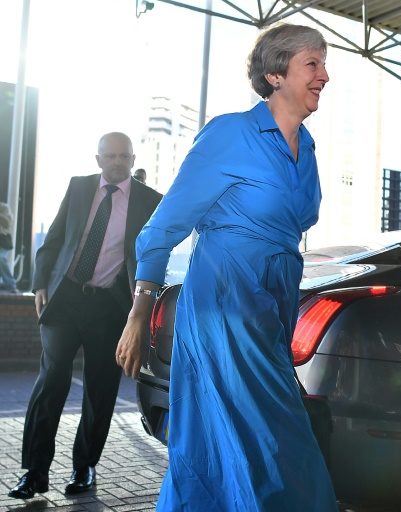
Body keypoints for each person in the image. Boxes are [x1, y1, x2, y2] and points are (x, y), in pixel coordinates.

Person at [115, 24, 336, 510]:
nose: (324, 75)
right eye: (313, 64)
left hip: (271, 308)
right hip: (224, 305)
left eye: (324, 64)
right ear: (276, 74)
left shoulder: (309, 150)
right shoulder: (231, 134)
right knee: (273, 446)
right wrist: (139, 311)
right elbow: (163, 227)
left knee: (230, 446)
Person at [7, 132, 162, 500]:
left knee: (100, 388)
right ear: (98, 159)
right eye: (110, 155)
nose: (117, 162)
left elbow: (155, 253)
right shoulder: (78, 188)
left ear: (132, 159)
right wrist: (39, 283)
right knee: (52, 379)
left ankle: (84, 467)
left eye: (123, 156)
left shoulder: (150, 200)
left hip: (110, 307)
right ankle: (34, 472)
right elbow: (54, 239)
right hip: (66, 298)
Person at [0, 202, 18, 292]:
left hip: (3, 243)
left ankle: (11, 284)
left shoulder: (4, 208)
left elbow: (7, 222)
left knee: (1, 258)